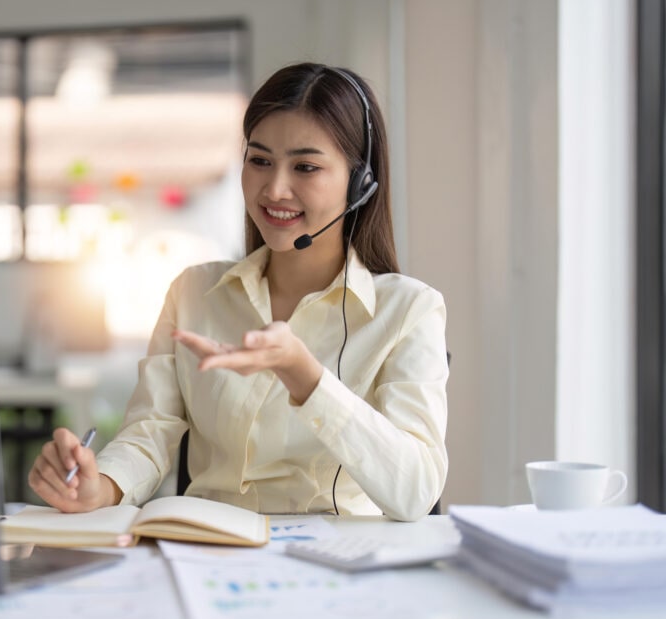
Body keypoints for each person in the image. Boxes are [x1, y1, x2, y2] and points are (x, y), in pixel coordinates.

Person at [28, 62, 448, 521]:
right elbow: (151, 430)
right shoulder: (193, 292)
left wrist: (305, 376)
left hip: (335, 567)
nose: (274, 188)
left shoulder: (410, 309)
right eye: (259, 160)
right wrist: (100, 486)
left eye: (305, 166)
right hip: (206, 554)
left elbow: (416, 492)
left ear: (360, 182)